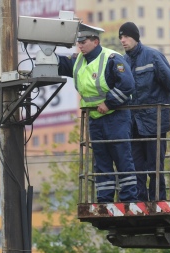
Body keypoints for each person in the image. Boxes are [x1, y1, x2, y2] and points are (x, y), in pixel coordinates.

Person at [58, 23, 138, 203]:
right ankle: (105, 199)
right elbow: (60, 63)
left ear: (95, 42)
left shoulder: (111, 59)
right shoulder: (78, 60)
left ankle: (129, 198)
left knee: (122, 157)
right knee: (101, 161)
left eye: (83, 42)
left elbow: (127, 85)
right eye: (78, 42)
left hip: (116, 117)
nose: (80, 45)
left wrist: (109, 103)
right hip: (95, 119)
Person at [119, 22, 170, 201]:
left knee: (155, 167)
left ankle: (157, 201)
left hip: (155, 123)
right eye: (121, 37)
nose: (123, 40)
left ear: (136, 37)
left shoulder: (153, 57)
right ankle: (140, 203)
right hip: (133, 125)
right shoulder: (122, 62)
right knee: (136, 168)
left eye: (126, 37)